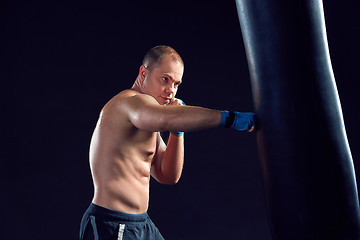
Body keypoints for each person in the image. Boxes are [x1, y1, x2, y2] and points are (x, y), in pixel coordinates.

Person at [79, 45, 255, 240]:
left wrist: (177, 132)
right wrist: (229, 118)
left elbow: (167, 175)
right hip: (113, 224)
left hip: (141, 224)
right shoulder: (128, 103)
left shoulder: (148, 120)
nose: (170, 91)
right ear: (144, 72)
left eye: (176, 84)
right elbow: (164, 119)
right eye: (165, 79)